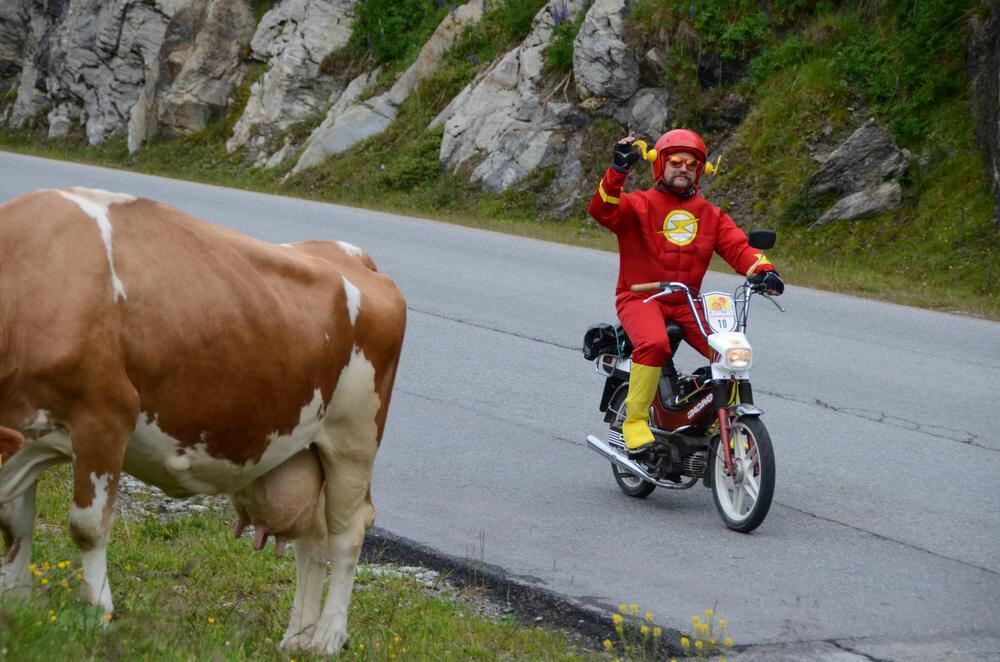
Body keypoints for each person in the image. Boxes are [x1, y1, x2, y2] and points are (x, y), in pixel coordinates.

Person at [588, 128, 784, 455]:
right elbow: (602, 210)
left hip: (687, 302)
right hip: (640, 297)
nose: (684, 168)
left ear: (700, 171)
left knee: (730, 351)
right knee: (653, 342)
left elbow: (739, 247)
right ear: (660, 164)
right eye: (676, 161)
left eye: (692, 164)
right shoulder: (638, 204)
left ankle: (718, 418)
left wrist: (764, 270)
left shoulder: (711, 214)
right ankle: (634, 421)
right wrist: (617, 172)